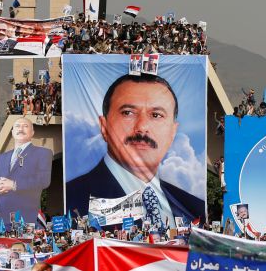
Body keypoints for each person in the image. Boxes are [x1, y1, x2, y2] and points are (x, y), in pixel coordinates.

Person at [65, 73, 205, 228]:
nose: (142, 127)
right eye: (128, 113)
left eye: (156, 115)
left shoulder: (195, 209)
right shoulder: (72, 202)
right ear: (104, 127)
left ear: (173, 133)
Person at [0, 117, 52, 229]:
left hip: (27, 218)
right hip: (1, 220)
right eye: (17, 126)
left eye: (25, 126)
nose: (21, 129)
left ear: (32, 132)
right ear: (12, 132)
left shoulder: (43, 153)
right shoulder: (1, 157)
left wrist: (14, 185)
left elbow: (43, 180)